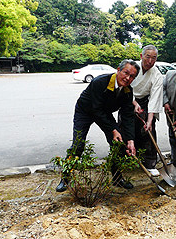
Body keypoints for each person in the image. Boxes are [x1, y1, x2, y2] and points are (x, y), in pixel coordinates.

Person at [56, 59, 140, 192]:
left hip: (104, 113)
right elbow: (96, 110)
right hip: (85, 111)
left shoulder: (128, 91)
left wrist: (130, 140)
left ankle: (117, 178)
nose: (128, 78)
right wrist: (113, 129)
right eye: (126, 73)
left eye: (132, 76)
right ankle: (65, 178)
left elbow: (128, 116)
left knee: (118, 144)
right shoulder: (100, 82)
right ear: (118, 70)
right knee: (78, 145)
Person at [129, 45, 163, 176]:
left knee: (148, 131)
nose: (150, 61)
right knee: (127, 129)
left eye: (154, 58)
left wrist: (150, 120)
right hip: (128, 99)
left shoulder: (157, 74)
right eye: (147, 57)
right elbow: (124, 85)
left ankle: (150, 163)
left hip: (145, 102)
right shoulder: (132, 68)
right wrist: (133, 102)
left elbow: (155, 97)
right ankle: (126, 160)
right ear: (141, 56)